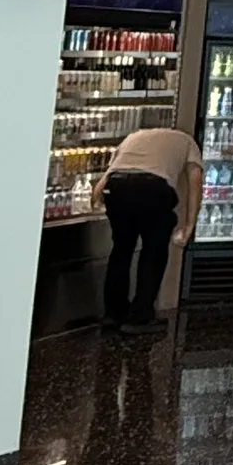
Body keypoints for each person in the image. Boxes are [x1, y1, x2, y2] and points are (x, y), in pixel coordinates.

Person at [95, 118, 203, 328]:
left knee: (121, 250)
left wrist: (101, 203)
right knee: (153, 252)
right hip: (153, 189)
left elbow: (104, 180)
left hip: (117, 187)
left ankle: (113, 314)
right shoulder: (187, 141)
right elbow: (195, 183)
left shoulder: (134, 138)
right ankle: (140, 316)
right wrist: (188, 227)